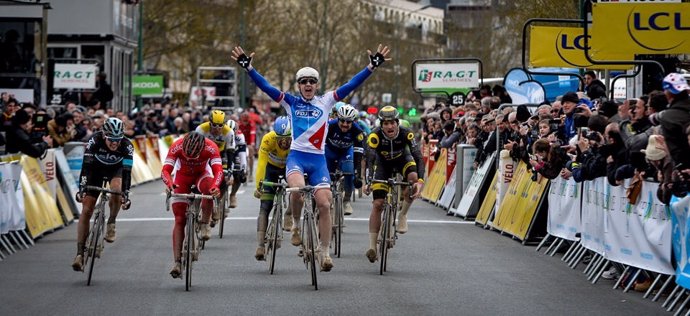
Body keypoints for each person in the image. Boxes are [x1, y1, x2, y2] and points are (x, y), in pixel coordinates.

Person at [232, 43, 391, 272]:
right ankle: (296, 225)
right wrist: (248, 69)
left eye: (312, 81)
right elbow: (266, 87)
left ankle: (324, 252)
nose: (308, 85)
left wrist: (371, 67)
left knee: (325, 204)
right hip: (296, 157)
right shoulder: (291, 102)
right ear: (298, 85)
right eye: (304, 81)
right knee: (297, 191)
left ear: (317, 85)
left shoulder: (326, 101)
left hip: (318, 160)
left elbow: (350, 84)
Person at [363, 106, 424, 263]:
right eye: (386, 123)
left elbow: (418, 157)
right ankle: (372, 246)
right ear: (381, 124)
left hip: (403, 160)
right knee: (378, 204)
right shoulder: (375, 135)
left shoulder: (406, 133)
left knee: (412, 176)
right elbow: (369, 158)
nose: (390, 126)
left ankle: (403, 214)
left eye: (392, 123)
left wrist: (420, 182)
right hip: (382, 165)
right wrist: (367, 180)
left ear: (397, 123)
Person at [72, 118, 133, 271]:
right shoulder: (94, 140)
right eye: (112, 139)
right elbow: (85, 168)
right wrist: (82, 189)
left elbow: (127, 173)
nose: (115, 143)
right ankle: (80, 253)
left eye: (118, 140)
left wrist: (126, 194)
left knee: (117, 189)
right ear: (104, 135)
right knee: (86, 210)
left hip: (115, 171)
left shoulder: (127, 146)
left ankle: (111, 222)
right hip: (95, 171)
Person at [161, 132, 223, 278]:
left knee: (209, 190)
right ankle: (177, 262)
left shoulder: (211, 147)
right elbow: (165, 170)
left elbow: (218, 171)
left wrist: (216, 186)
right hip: (182, 177)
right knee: (179, 220)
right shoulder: (176, 146)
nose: (190, 158)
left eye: (194, 156)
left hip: (202, 174)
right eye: (188, 156)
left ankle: (204, 223)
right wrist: (169, 184)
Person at [252, 116, 292, 260]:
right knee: (265, 206)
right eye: (280, 139)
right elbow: (261, 163)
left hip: (290, 168)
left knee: (297, 190)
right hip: (271, 169)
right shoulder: (268, 139)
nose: (284, 142)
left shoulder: (297, 138)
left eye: (288, 139)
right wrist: (259, 185)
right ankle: (260, 245)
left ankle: (289, 213)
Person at [195, 110, 236, 225]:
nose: (217, 129)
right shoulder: (201, 129)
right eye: (214, 125)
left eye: (220, 126)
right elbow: (195, 149)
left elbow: (230, 154)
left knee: (223, 179)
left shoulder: (229, 132)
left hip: (220, 155)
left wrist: (230, 173)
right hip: (203, 156)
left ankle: (216, 202)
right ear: (209, 123)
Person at [325, 104, 365, 215]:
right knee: (326, 175)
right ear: (337, 118)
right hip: (330, 151)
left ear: (353, 121)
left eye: (348, 122)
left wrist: (357, 174)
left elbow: (358, 154)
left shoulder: (357, 131)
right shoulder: (330, 126)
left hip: (345, 152)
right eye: (342, 121)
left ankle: (346, 200)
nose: (345, 124)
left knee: (349, 170)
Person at [226, 118, 248, 208]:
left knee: (238, 174)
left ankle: (233, 194)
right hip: (225, 153)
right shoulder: (222, 134)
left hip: (236, 154)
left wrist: (243, 168)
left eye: (233, 132)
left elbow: (242, 154)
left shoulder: (240, 136)